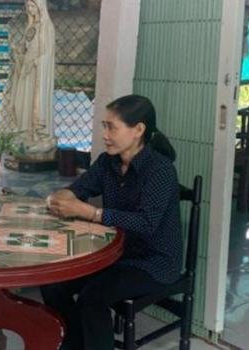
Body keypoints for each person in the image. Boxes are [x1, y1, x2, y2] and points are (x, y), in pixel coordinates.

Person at [41, 95, 182, 350]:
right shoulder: (108, 162)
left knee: (92, 298)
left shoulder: (160, 170)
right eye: (104, 126)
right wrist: (61, 197)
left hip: (153, 262)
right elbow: (79, 189)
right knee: (53, 285)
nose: (105, 134)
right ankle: (74, 344)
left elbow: (147, 223)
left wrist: (91, 213)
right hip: (113, 253)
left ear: (138, 130)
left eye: (111, 127)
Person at [0, 0, 56, 157]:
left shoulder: (47, 28)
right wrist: (19, 54)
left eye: (33, 6)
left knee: (34, 106)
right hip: (26, 75)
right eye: (28, 6)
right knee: (21, 105)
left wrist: (35, 62)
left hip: (38, 76)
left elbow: (47, 55)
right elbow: (26, 51)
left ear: (40, 7)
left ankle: (39, 138)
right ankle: (25, 135)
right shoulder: (30, 28)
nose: (30, 10)